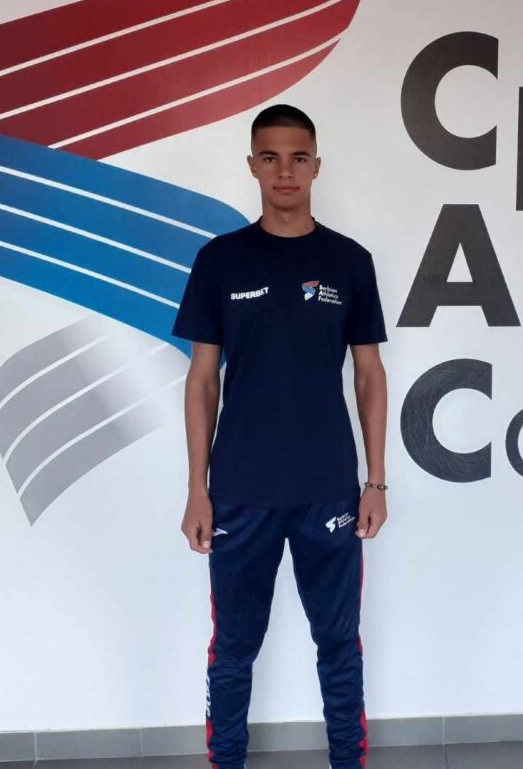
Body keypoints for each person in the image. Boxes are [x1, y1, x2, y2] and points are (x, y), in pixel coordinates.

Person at [172, 104, 389, 769]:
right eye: (270, 157)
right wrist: (198, 489)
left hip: (328, 490)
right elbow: (202, 380)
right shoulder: (220, 261)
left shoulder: (349, 262)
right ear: (253, 166)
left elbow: (370, 375)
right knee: (233, 650)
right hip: (240, 492)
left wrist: (375, 482)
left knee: (339, 645)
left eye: (298, 158)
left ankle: (348, 762)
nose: (285, 171)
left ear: (316, 166)